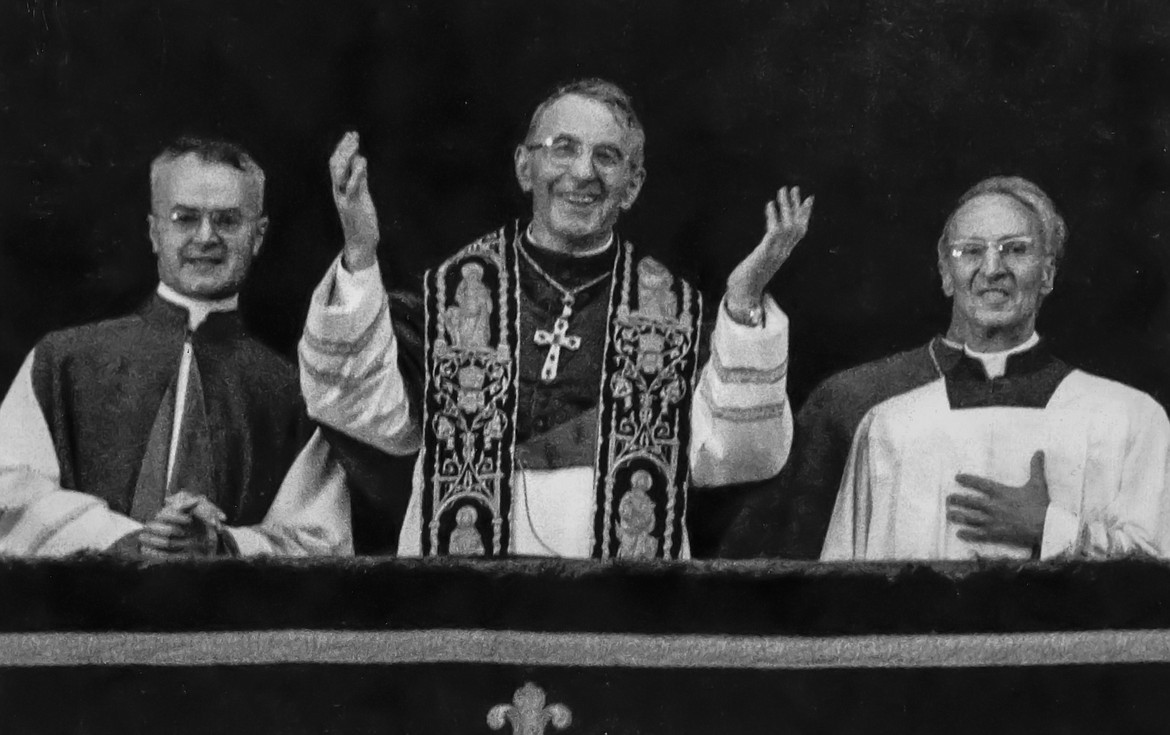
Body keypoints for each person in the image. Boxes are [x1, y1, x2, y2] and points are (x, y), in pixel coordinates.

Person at [299, 78, 813, 558]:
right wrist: (360, 252)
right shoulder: (455, 294)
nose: (583, 172)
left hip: (617, 598)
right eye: (562, 148)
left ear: (632, 185)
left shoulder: (672, 313)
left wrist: (745, 299)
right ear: (525, 167)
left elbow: (745, 453)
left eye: (607, 157)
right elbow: (353, 405)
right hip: (467, 597)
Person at [0, 136, 352, 557]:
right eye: (185, 218)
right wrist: (125, 539)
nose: (206, 237)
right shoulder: (61, 362)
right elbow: (9, 492)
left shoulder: (293, 394)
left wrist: (222, 545)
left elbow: (320, 543)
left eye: (227, 220)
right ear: (155, 231)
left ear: (258, 236)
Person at [802, 176, 1170, 561]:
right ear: (946, 275)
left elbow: (1160, 579)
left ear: (1047, 272)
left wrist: (1049, 530)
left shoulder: (1131, 418)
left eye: (1015, 249)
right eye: (970, 251)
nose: (992, 269)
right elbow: (841, 593)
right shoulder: (888, 427)